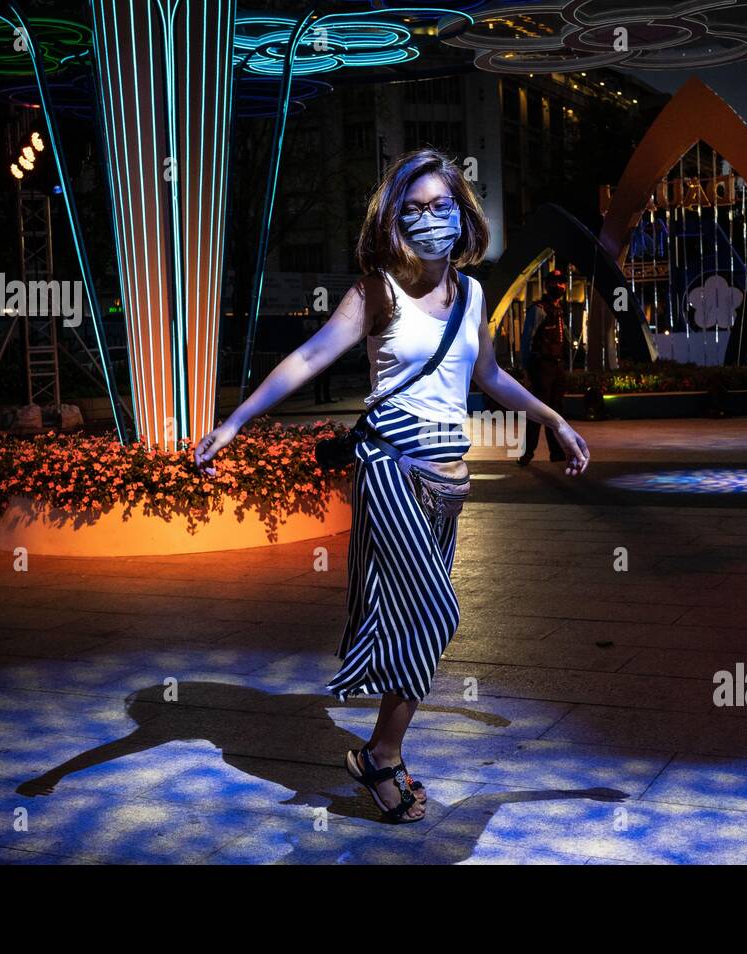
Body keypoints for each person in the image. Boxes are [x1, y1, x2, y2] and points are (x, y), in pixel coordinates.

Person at [192, 149, 590, 823]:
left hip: (450, 486)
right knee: (438, 613)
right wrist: (235, 419)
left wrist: (553, 417)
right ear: (395, 220)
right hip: (391, 472)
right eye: (415, 208)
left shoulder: (471, 295)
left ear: (464, 216)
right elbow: (311, 354)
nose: (430, 218)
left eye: (443, 206)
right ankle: (381, 752)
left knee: (417, 624)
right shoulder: (376, 290)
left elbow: (489, 376)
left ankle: (382, 754)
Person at [519, 268, 572, 466]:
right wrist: (525, 369)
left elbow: (564, 337)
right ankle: (527, 453)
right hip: (541, 366)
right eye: (555, 282)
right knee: (537, 410)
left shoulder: (558, 309)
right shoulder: (538, 309)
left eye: (562, 282)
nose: (559, 286)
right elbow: (527, 339)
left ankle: (556, 452)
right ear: (547, 285)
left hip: (557, 366)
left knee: (556, 410)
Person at [300, 312, 338, 404]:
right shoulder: (318, 333)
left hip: (327, 359)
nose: (325, 322)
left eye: (326, 320)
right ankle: (318, 399)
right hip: (319, 360)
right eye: (323, 320)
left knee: (326, 379)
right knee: (319, 380)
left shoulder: (328, 333)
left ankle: (326, 398)